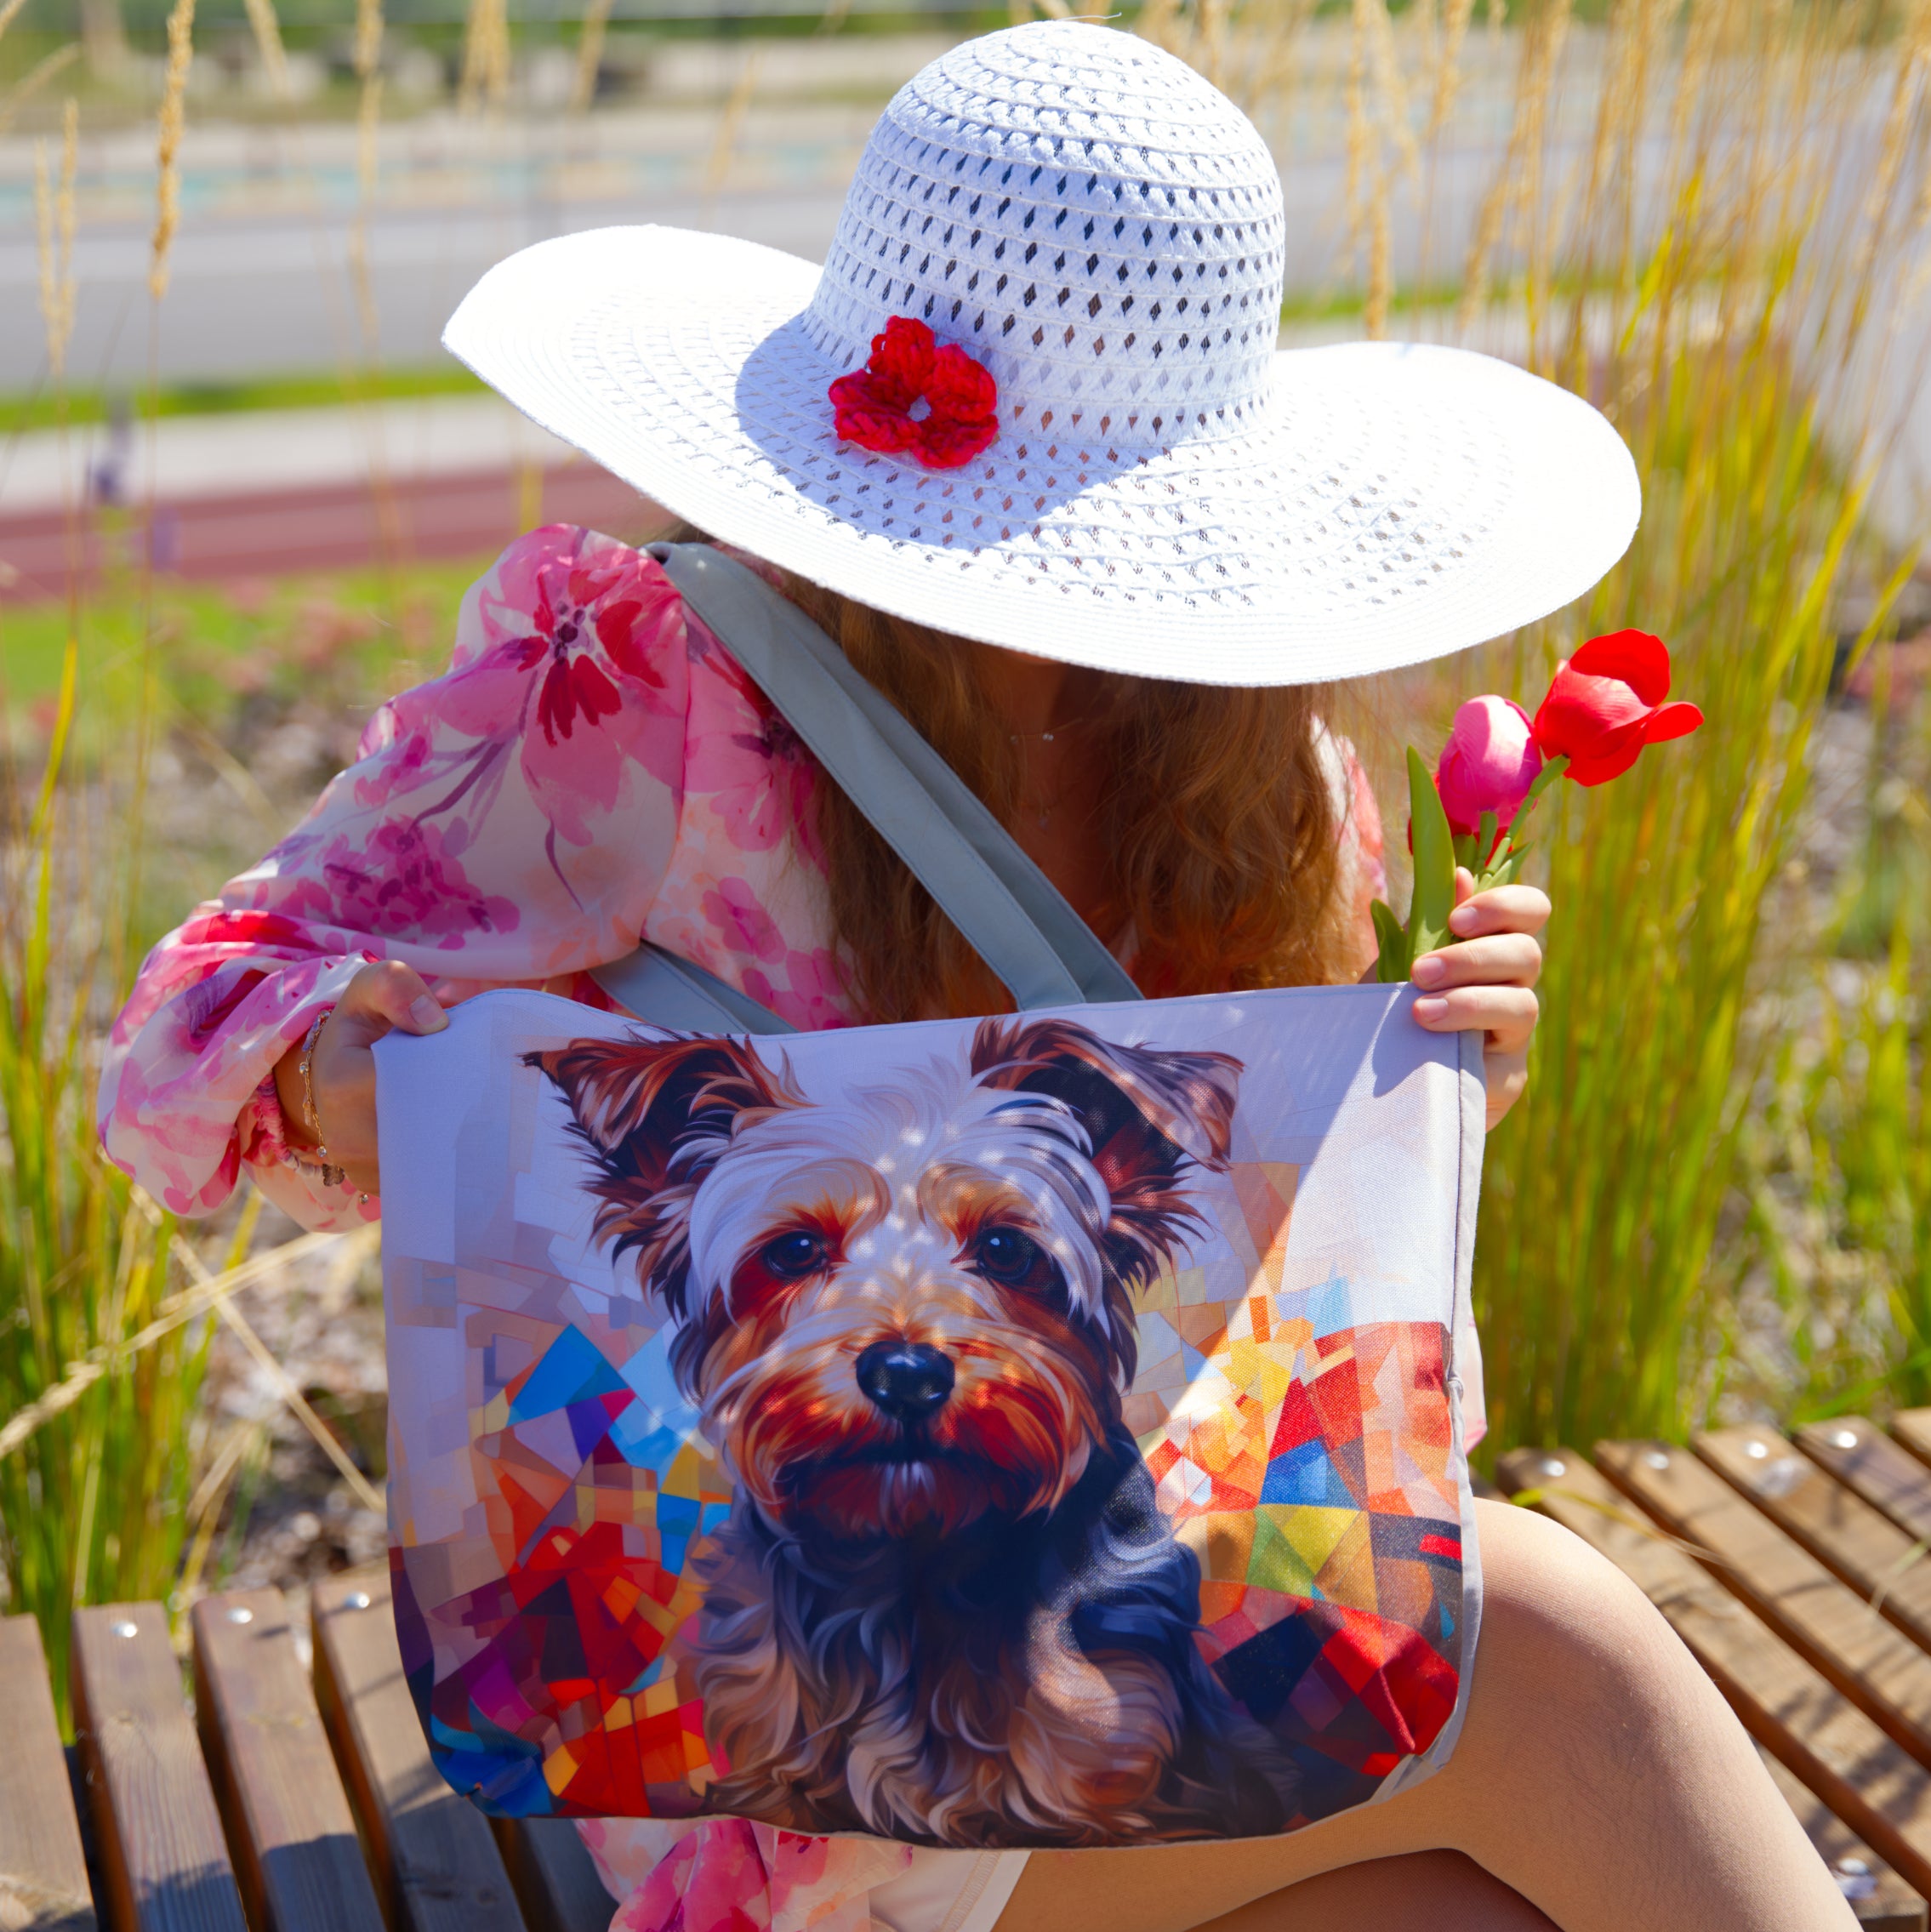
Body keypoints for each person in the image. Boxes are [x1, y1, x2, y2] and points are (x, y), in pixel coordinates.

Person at [101, 20, 1855, 1932]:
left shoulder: (1280, 779)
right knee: (1557, 1644)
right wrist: (342, 1073)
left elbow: (1249, 1316)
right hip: (769, 1698)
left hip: (1128, 1623)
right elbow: (186, 1021)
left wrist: (1427, 1097)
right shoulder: (653, 700)